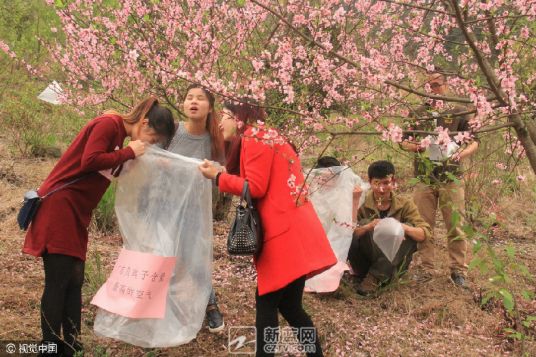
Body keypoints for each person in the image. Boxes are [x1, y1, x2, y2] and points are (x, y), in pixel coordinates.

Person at [22, 97, 175, 356]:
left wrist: (149, 162)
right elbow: (90, 161)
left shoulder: (119, 136)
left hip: (76, 212)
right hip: (59, 207)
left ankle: (72, 344)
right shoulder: (108, 124)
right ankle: (49, 346)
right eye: (154, 139)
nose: (150, 145)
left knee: (75, 278)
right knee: (58, 280)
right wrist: (130, 152)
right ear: (145, 124)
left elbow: (111, 167)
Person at [198, 100, 336, 357]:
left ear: (240, 118)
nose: (219, 122)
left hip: (282, 233)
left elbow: (256, 187)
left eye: (225, 116)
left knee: (267, 300)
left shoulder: (254, 138)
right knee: (291, 307)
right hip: (295, 227)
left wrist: (218, 177)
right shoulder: (269, 136)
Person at [400, 69, 479, 287]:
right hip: (424, 177)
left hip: (451, 177)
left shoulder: (459, 111)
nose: (433, 90)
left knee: (455, 225)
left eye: (436, 85)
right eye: (429, 86)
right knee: (423, 225)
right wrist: (417, 147)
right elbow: (402, 141)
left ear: (446, 85)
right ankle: (425, 267)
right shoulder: (418, 113)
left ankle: (458, 270)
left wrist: (460, 153)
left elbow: (474, 140)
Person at [167, 84, 226, 333]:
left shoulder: (215, 140)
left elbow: (222, 175)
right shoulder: (171, 132)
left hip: (195, 212)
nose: (193, 102)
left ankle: (210, 305)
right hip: (166, 207)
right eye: (189, 97)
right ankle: (163, 309)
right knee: (165, 257)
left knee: (195, 260)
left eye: (200, 99)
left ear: (210, 107)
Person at [347, 161, 431, 296]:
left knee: (409, 231)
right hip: (365, 260)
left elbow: (424, 234)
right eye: (377, 183)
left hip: (393, 265)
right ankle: (369, 275)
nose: (381, 189)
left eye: (386, 183)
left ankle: (375, 277)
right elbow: (347, 233)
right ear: (370, 182)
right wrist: (369, 226)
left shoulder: (405, 204)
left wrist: (401, 227)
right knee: (363, 223)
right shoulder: (361, 202)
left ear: (393, 181)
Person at [304, 156, 368, 293]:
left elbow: (347, 228)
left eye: (332, 178)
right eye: (324, 177)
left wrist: (355, 201)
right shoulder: (309, 191)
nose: (327, 182)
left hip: (332, 240)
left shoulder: (342, 194)